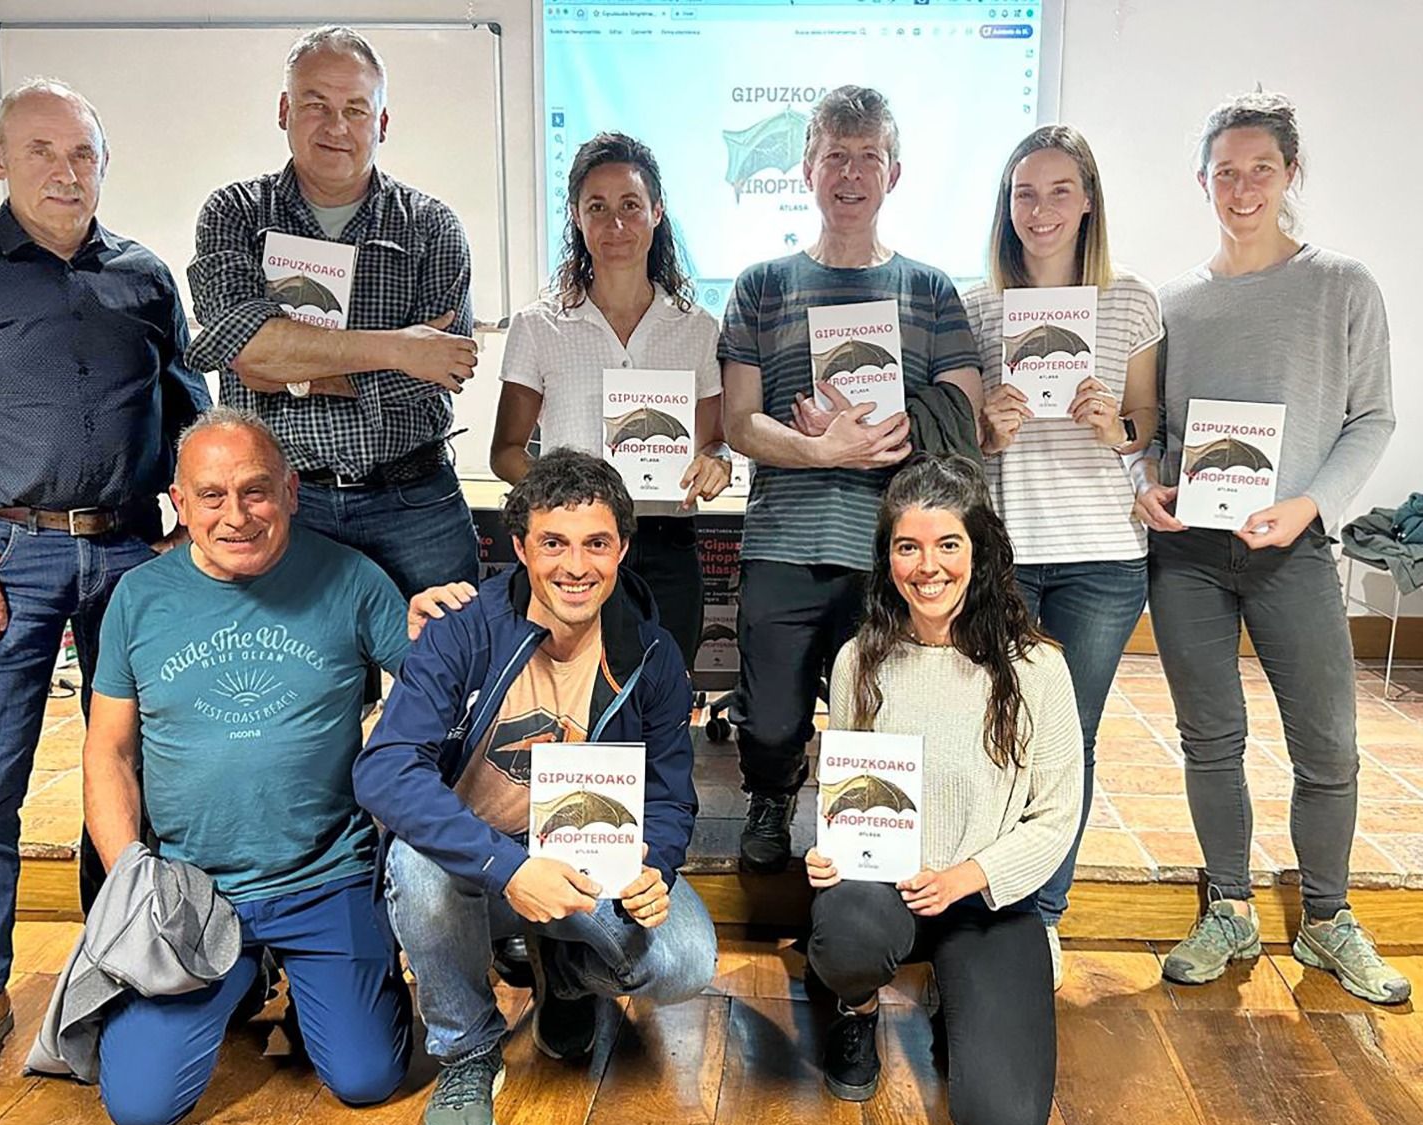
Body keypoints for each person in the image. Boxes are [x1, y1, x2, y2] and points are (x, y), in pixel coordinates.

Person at [0, 78, 209, 1098]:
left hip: (133, 558)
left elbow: (188, 409)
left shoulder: (144, 277)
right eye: (44, 150)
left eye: (84, 153)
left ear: (104, 162)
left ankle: (124, 960)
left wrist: (191, 516)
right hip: (5, 561)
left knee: (139, 773)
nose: (67, 170)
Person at [355, 449, 717, 1125]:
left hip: (581, 864)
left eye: (596, 544)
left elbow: (670, 793)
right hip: (473, 863)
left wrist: (658, 867)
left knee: (686, 959)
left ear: (621, 549)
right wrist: (506, 865)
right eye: (553, 543)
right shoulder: (463, 631)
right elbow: (385, 770)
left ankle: (567, 974)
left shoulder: (651, 653)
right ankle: (468, 1052)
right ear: (519, 547)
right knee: (419, 870)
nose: (575, 566)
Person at [1134, 93, 1409, 1004]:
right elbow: (1154, 432)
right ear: (1202, 182)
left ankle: (1329, 919)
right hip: (1189, 559)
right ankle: (1229, 909)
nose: (1242, 187)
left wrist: (1310, 508)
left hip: (1293, 550)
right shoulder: (1172, 304)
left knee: (1328, 747)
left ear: (1291, 174)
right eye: (1225, 172)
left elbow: (1372, 419)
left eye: (1261, 169)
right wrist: (1149, 482)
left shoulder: (1342, 285)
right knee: (1211, 741)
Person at [81, 408, 413, 1125]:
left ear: (292, 491)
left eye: (256, 491)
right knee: (140, 1109)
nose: (237, 514)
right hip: (191, 890)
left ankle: (333, 977)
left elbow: (431, 697)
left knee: (366, 1080)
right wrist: (132, 880)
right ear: (179, 501)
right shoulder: (138, 598)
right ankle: (245, 976)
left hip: (327, 875)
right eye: (212, 495)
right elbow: (108, 750)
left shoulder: (352, 580)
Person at [720, 85, 982, 873]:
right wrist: (828, 451)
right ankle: (770, 800)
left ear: (893, 175)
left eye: (869, 156)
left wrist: (887, 430)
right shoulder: (761, 284)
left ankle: (861, 840)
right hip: (783, 542)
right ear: (806, 168)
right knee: (769, 718)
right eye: (836, 154)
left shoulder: (931, 289)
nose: (852, 172)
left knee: (881, 716)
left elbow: (962, 406)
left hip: (894, 552)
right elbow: (740, 423)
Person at [805, 452, 1081, 1125]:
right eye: (908, 547)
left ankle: (956, 1003)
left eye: (948, 545)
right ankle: (855, 1008)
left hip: (984, 898)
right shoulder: (858, 660)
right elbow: (851, 788)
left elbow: (1056, 816)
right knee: (846, 934)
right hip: (884, 887)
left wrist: (969, 875)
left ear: (980, 549)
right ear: (888, 557)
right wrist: (827, 846)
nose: (928, 567)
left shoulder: (1038, 669)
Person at [961, 125, 1161, 987]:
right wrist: (987, 429)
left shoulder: (1132, 303)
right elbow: (960, 446)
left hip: (1103, 560)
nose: (1039, 210)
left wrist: (1113, 425)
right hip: (1004, 556)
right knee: (991, 733)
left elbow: (1146, 429)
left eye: (1057, 191)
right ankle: (982, 905)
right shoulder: (975, 310)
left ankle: (1043, 914)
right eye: (1023, 193)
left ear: (1088, 202)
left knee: (1067, 741)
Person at [186, 25, 481, 600]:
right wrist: (399, 349)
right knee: (297, 684)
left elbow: (442, 370)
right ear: (284, 110)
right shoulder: (234, 214)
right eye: (316, 105)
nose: (336, 126)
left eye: (355, 109)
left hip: (415, 502)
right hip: (284, 506)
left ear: (382, 123)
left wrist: (287, 368)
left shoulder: (432, 227)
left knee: (447, 674)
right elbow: (245, 353)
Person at [491, 132, 732, 665]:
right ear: (576, 216)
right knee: (570, 707)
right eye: (597, 207)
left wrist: (716, 464)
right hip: (569, 551)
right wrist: (565, 502)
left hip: (667, 543)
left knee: (661, 701)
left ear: (657, 212)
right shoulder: (538, 326)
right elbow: (505, 450)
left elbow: (713, 442)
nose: (615, 224)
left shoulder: (697, 330)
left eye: (630, 206)